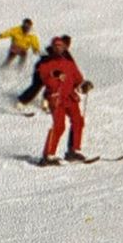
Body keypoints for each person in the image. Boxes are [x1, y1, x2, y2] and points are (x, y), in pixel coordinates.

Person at [19, 36, 93, 165]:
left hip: (70, 98)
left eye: (61, 46)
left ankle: (73, 150)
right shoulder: (45, 63)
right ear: (52, 48)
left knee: (78, 121)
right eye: (56, 46)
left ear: (65, 48)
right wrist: (55, 74)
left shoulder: (69, 64)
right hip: (56, 98)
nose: (58, 49)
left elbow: (78, 81)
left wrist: (84, 86)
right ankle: (48, 155)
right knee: (59, 126)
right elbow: (45, 78)